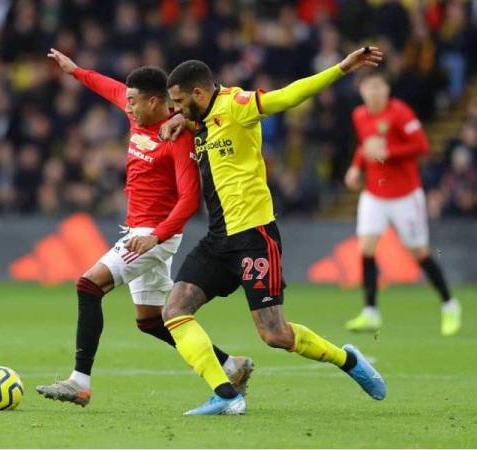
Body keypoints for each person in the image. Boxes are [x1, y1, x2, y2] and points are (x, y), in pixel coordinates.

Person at [159, 47, 387, 416]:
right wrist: (180, 121)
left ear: (199, 94)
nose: (177, 109)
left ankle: (348, 360)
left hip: (253, 236)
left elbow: (289, 95)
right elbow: (188, 121)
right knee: (174, 310)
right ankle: (226, 395)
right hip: (217, 239)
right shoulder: (196, 118)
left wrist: (341, 69)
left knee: (274, 334)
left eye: (180, 102)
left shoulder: (237, 105)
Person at [36, 49, 253, 407]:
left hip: (154, 235)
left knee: (88, 285)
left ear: (156, 102)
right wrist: (75, 70)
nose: (129, 107)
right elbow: (108, 87)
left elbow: (188, 200)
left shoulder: (176, 138)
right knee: (151, 320)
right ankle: (231, 365)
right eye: (129, 101)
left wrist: (157, 236)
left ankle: (79, 382)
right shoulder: (137, 110)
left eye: (135, 102)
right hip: (139, 232)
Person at [344, 70, 461, 335]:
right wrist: (355, 167)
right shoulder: (359, 115)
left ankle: (449, 304)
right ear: (362, 92)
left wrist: (389, 152)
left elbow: (422, 146)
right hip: (374, 193)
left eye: (377, 86)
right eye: (368, 88)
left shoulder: (401, 113)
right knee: (366, 248)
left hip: (405, 195)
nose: (373, 92)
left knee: (418, 251)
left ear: (387, 90)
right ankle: (370, 312)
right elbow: (365, 146)